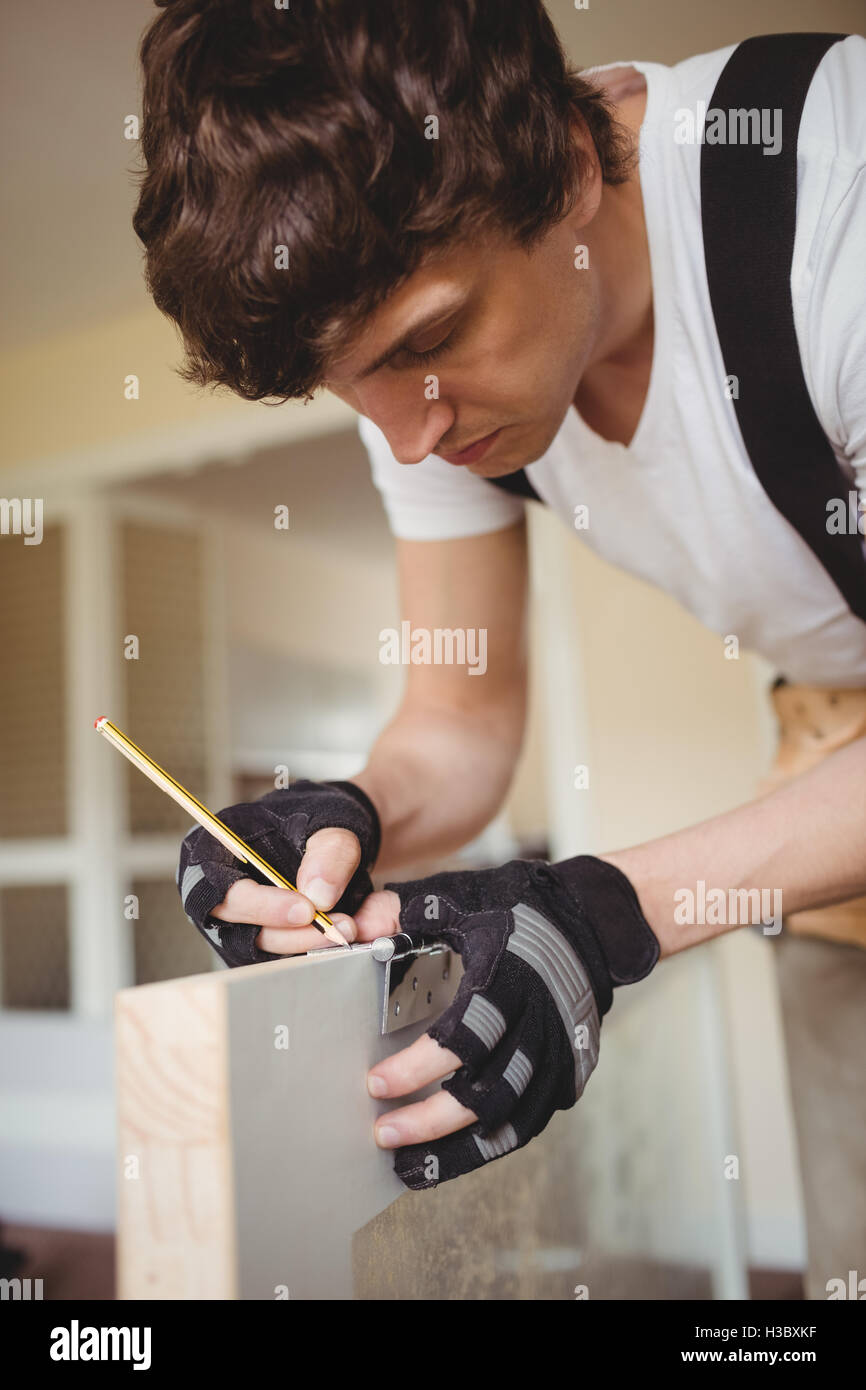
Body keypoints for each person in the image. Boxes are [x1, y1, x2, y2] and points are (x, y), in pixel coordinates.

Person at [133, 1, 865, 1297]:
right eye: (353, 385)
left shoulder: (832, 205)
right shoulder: (416, 394)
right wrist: (350, 809)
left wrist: (610, 913)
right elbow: (457, 724)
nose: (405, 439)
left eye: (426, 342)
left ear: (572, 162)